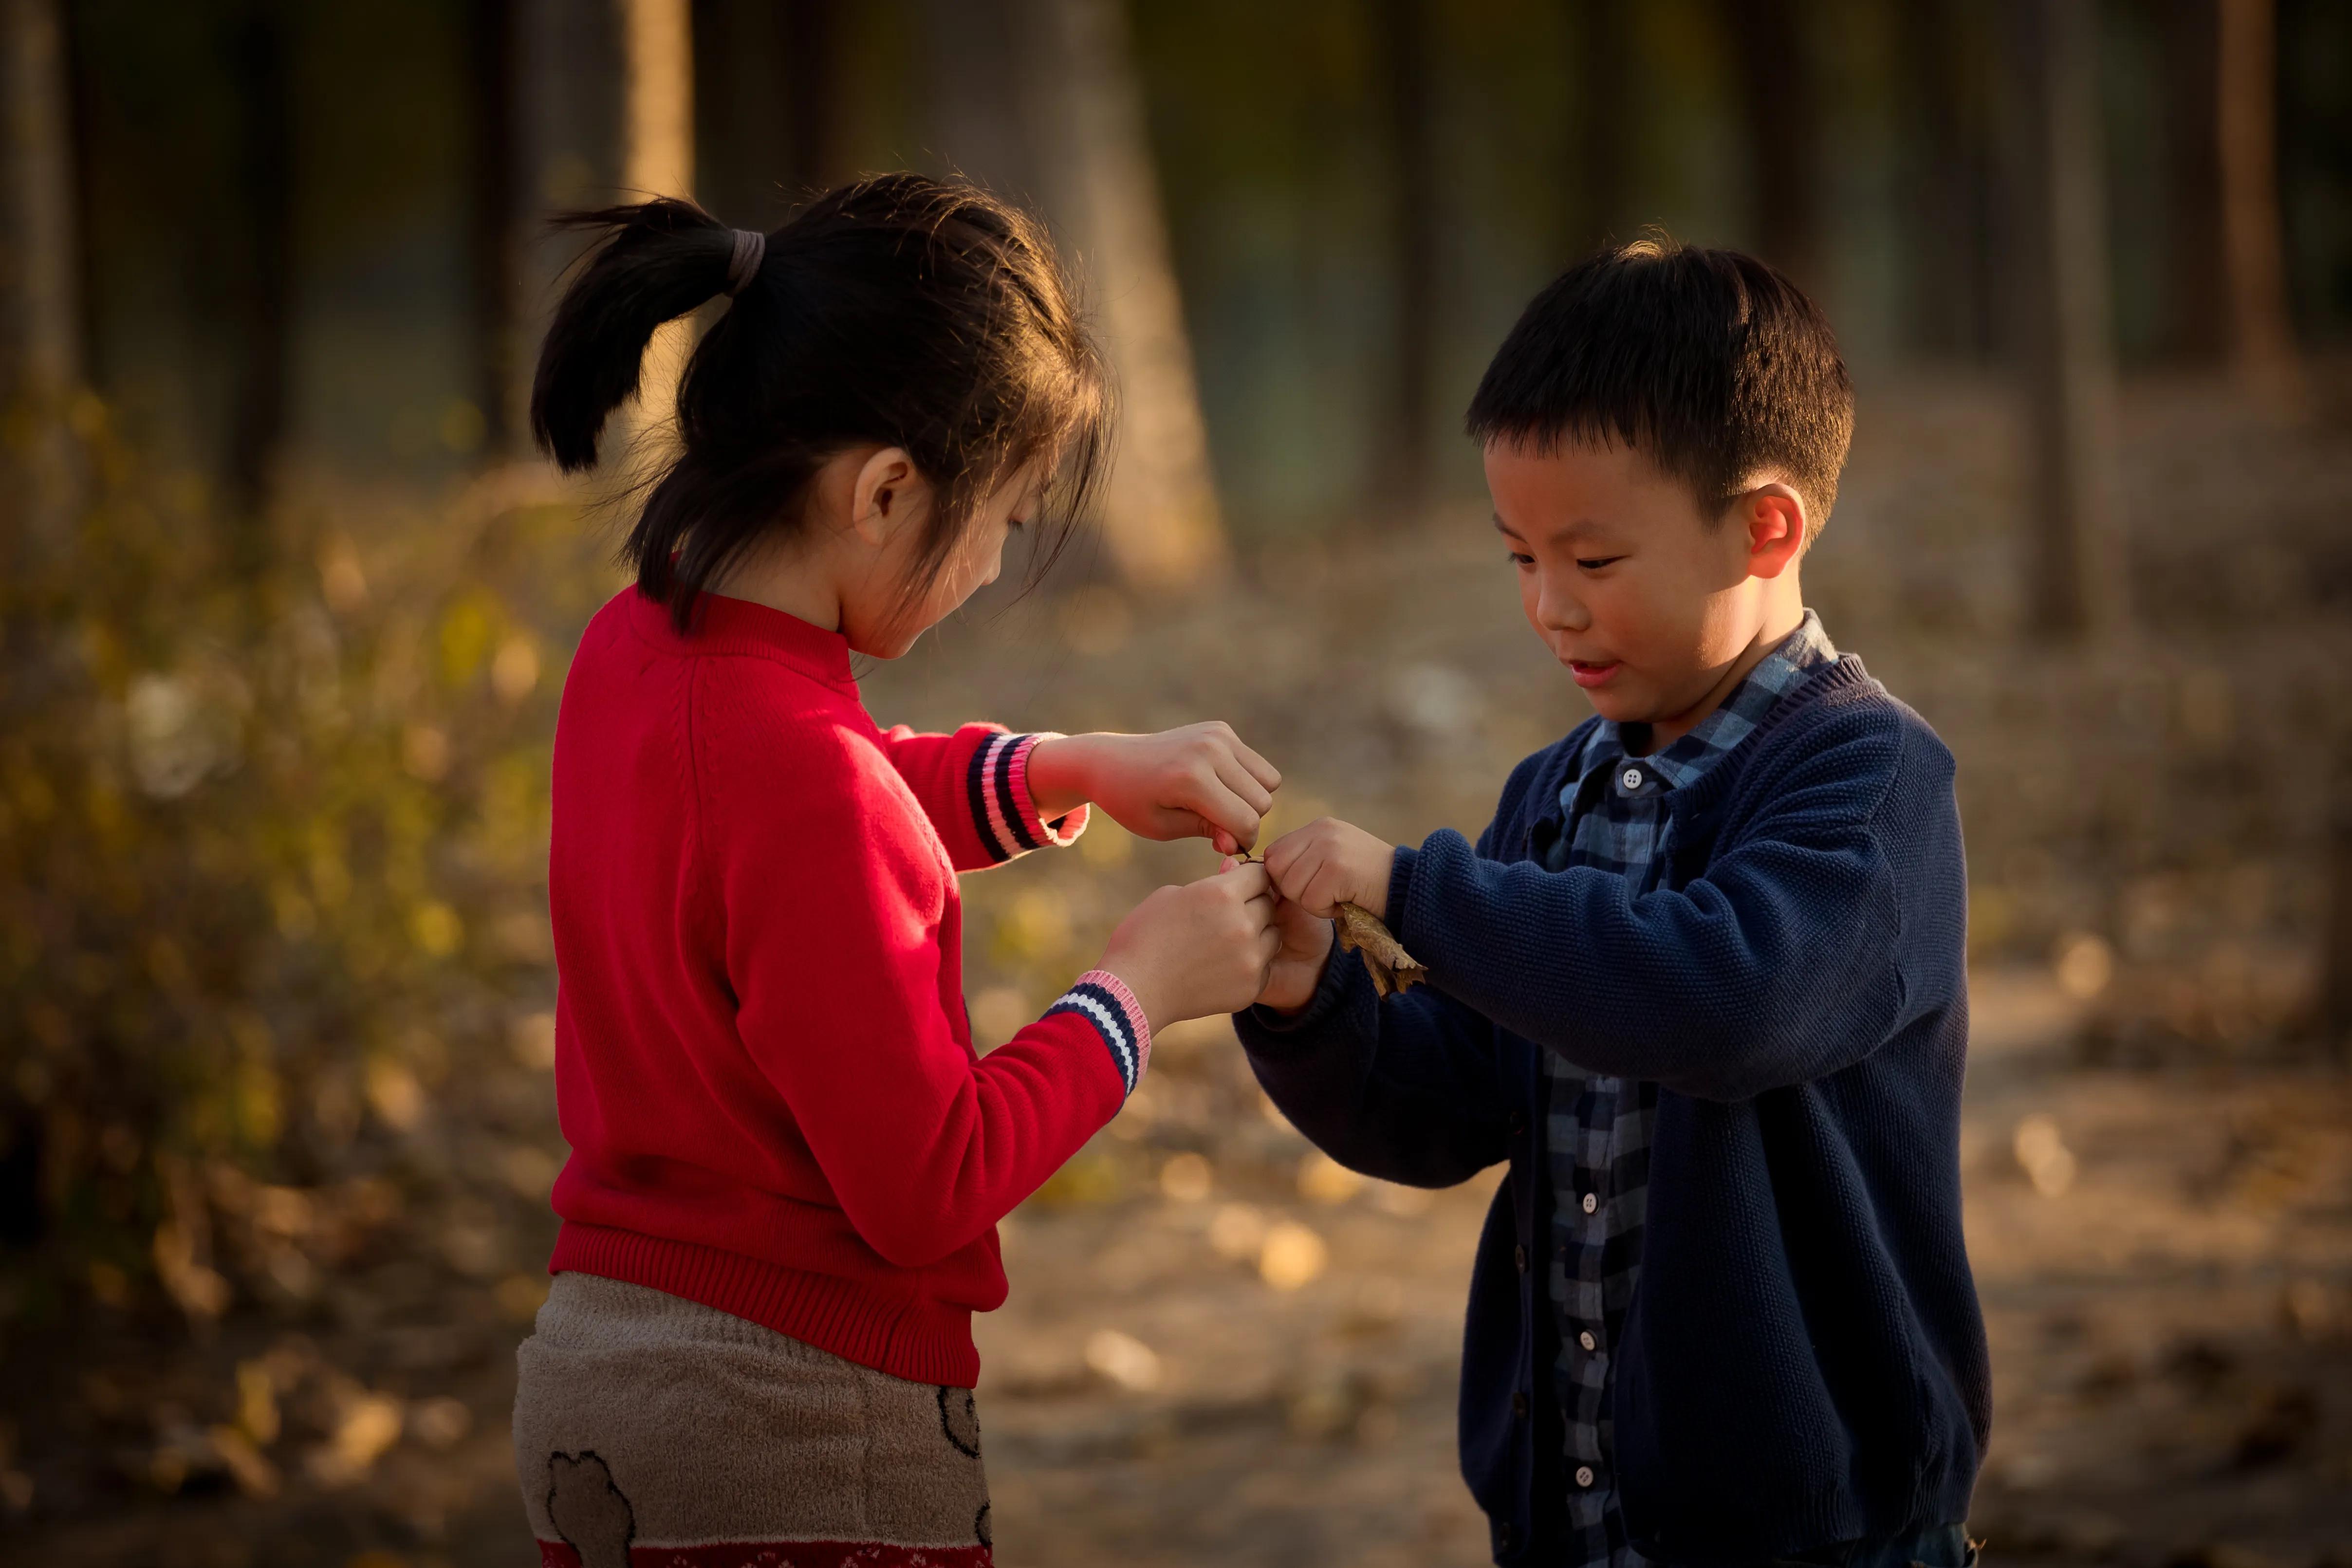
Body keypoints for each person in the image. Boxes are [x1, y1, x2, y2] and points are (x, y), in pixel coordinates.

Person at [511, 176, 1283, 1567]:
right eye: (999, 520)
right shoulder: (811, 778)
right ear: (883, 491)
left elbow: (799, 819)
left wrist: (1064, 766)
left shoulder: (632, 655)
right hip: (797, 1430)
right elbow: (931, 1182)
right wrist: (1138, 991)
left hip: (595, 1379)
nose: (991, 566)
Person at [1243, 238, 1987, 1568]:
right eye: (1517, 557)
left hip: (1813, 1534)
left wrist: (1414, 889)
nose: (1547, 607)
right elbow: (1456, 1099)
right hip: (1572, 1518)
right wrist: (1311, 998)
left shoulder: (1866, 778)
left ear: (1768, 526)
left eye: (1591, 562)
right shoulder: (1556, 793)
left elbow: (1728, 999)